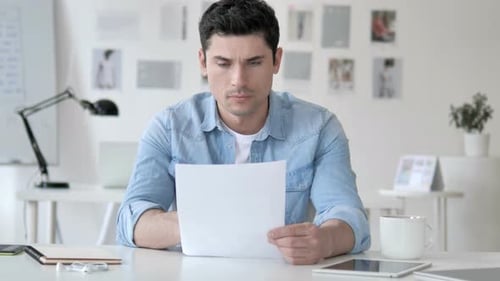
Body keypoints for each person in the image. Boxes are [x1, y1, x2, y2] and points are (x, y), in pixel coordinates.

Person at [116, 0, 370, 265]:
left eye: (254, 62)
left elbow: (349, 216)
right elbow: (130, 222)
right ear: (203, 62)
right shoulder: (170, 127)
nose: (238, 80)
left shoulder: (319, 128)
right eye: (223, 63)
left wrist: (325, 240)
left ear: (276, 60)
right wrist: (204, 222)